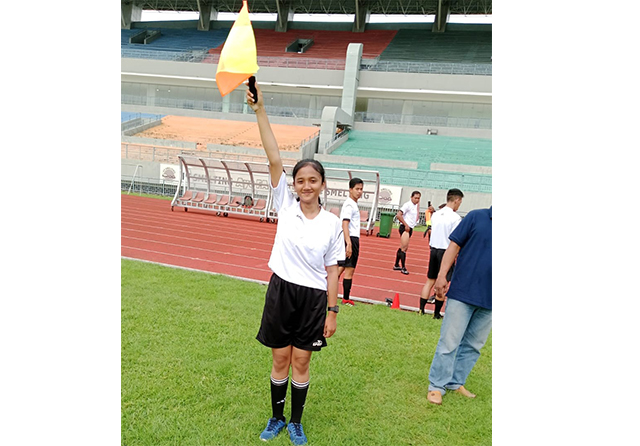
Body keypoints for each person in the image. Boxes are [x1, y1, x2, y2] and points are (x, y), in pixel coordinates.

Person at [247, 81, 345, 445]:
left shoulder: (333, 223)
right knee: (280, 360)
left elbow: (332, 271)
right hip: (281, 291)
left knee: (301, 362)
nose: (306, 186)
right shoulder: (285, 206)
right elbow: (274, 156)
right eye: (300, 180)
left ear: (322, 185)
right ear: (293, 185)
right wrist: (260, 110)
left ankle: (296, 422)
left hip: (313, 299)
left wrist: (332, 312)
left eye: (312, 180)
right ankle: (276, 418)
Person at [426, 206, 492, 406]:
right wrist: (441, 276)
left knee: (474, 345)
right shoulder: (476, 217)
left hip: (490, 298)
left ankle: (456, 382)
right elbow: (453, 246)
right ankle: (437, 385)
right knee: (449, 342)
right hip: (463, 292)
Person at [419, 189, 464, 318]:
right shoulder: (456, 218)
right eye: (460, 202)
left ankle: (421, 310)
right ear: (457, 200)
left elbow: (432, 231)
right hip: (446, 252)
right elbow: (455, 239)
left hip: (434, 249)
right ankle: (436, 313)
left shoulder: (436, 215)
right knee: (443, 282)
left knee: (430, 281)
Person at [337, 177, 364, 307]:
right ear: (350, 189)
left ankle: (324, 290)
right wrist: (348, 243)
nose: (359, 192)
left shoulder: (353, 204)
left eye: (361, 189)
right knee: (349, 269)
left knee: (342, 267)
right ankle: (346, 299)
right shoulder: (349, 205)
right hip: (350, 238)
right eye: (357, 189)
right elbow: (345, 224)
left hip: (351, 238)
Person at [393, 191, 422, 275]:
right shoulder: (407, 205)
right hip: (405, 228)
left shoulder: (416, 206)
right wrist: (406, 225)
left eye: (418, 198)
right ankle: (403, 267)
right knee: (404, 248)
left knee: (403, 247)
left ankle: (396, 264)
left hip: (410, 228)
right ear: (411, 197)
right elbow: (398, 215)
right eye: (415, 198)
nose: (417, 200)